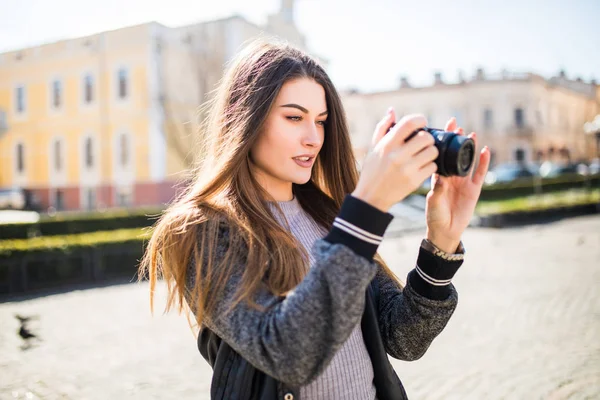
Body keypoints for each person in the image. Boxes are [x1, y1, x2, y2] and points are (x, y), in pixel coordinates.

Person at [139, 39, 491, 400]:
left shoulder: (331, 217)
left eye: (321, 122)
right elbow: (289, 354)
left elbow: (404, 339)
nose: (313, 138)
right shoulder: (203, 231)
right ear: (244, 118)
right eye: (294, 117)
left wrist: (441, 243)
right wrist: (366, 210)